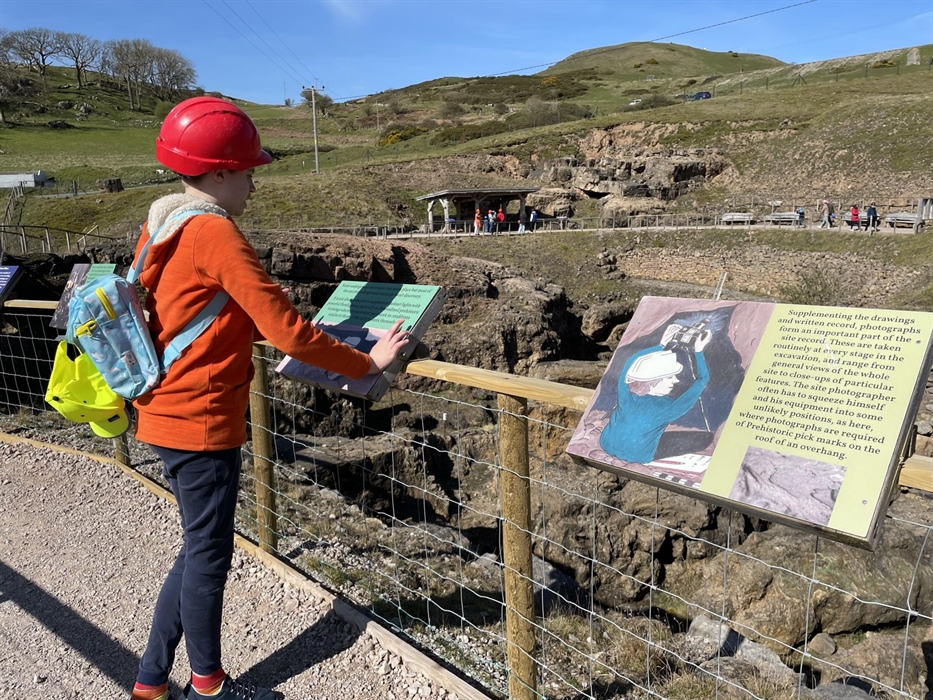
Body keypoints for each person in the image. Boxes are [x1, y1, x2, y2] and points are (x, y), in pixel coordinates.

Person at [129, 97, 409, 700]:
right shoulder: (213, 230)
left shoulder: (162, 221)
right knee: (209, 556)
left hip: (160, 408)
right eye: (250, 170)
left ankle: (151, 679)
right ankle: (207, 684)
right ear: (221, 171)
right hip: (200, 417)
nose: (255, 182)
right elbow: (286, 330)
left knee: (197, 546)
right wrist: (367, 361)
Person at [599, 322, 713, 464]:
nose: (676, 381)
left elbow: (629, 362)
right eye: (670, 377)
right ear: (653, 380)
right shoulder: (669, 408)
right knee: (707, 438)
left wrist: (661, 344)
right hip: (639, 456)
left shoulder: (626, 395)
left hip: (605, 443)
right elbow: (703, 379)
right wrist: (699, 350)